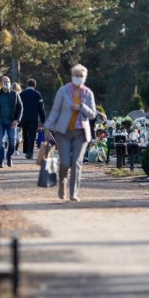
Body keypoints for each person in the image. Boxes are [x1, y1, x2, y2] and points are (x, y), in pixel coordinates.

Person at [44, 64, 97, 202]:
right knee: (65, 163)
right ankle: (62, 182)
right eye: (76, 76)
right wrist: (47, 126)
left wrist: (80, 107)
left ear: (85, 78)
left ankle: (73, 193)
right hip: (63, 132)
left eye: (81, 76)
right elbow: (55, 111)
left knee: (76, 162)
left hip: (81, 133)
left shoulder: (88, 93)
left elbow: (92, 114)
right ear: (72, 76)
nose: (79, 78)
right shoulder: (63, 91)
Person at [0, 76, 23, 168]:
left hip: (11, 122)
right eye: (5, 82)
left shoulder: (14, 94)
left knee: (12, 141)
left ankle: (9, 157)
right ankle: (1, 160)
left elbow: (20, 107)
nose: (7, 83)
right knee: (0, 142)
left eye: (9, 81)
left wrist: (17, 120)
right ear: (1, 83)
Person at [19, 78, 47, 159]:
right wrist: (43, 119)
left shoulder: (22, 94)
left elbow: (17, 107)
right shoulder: (38, 94)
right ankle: (30, 152)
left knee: (25, 134)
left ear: (27, 85)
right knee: (32, 136)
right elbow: (41, 108)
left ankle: (26, 150)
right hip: (33, 119)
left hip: (23, 118)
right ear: (34, 85)